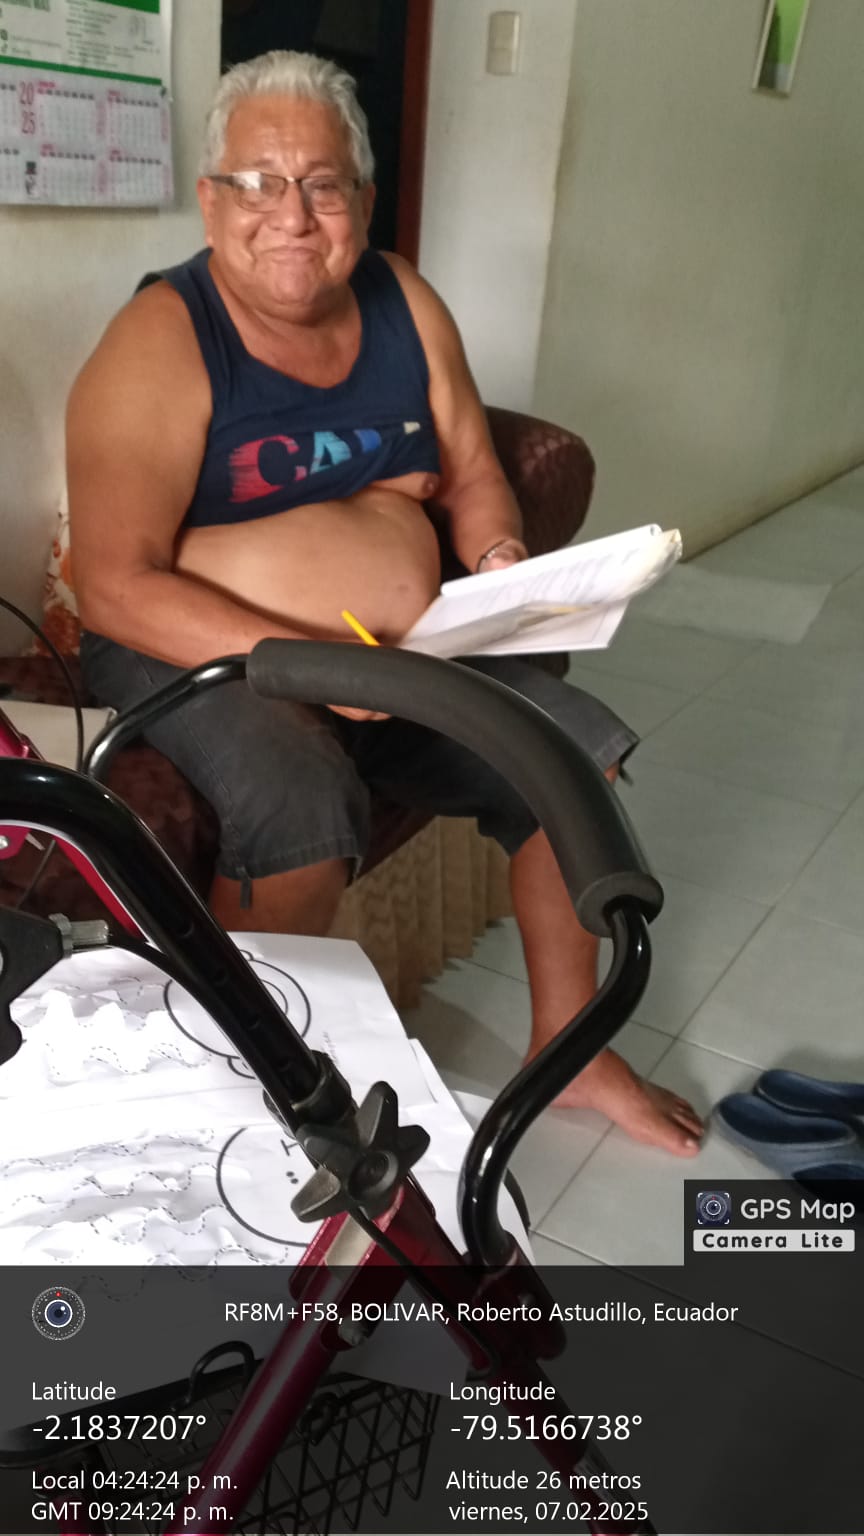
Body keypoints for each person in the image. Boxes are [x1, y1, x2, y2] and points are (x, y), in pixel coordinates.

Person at [67, 50, 703, 1156]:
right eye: (258, 183)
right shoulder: (164, 339)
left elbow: (473, 471)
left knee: (568, 752)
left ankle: (575, 1051)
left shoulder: (405, 302)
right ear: (211, 200)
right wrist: (316, 659)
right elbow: (111, 583)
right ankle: (245, 1093)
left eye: (322, 184)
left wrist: (499, 555)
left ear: (362, 201)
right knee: (301, 801)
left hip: (392, 646)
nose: (292, 215)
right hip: (190, 644)